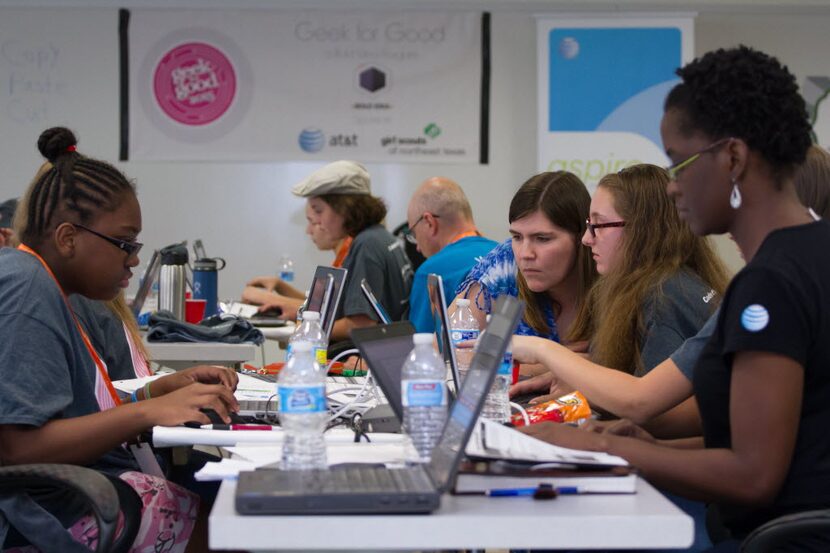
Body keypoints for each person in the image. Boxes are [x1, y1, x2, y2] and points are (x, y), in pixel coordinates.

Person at [518, 47, 829, 552]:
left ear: (732, 158)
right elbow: (791, 443)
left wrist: (599, 447)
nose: (670, 187)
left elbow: (755, 476)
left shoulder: (772, 282)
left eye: (677, 163)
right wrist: (642, 442)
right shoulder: (806, 256)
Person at [0, 127, 240, 552]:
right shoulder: (27, 289)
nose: (133, 258)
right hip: (46, 515)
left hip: (67, 494)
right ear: (68, 238)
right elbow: (17, 448)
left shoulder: (47, 285)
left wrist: (158, 393)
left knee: (235, 501)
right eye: (125, 243)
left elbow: (71, 414)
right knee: (240, 520)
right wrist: (147, 412)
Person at [511, 143, 830, 426]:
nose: (586, 238)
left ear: (643, 229)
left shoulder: (669, 295)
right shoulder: (699, 286)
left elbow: (649, 404)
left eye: (598, 226)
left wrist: (572, 380)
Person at [257, 160, 413, 342]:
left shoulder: (366, 246)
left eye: (319, 211)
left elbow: (359, 324)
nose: (316, 223)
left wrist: (304, 331)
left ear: (345, 209)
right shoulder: (380, 237)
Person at [455, 171, 597, 343]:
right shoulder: (506, 262)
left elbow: (615, 367)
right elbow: (451, 348)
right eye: (517, 237)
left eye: (542, 239)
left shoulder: (608, 268)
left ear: (581, 236)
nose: (524, 254)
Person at [405, 177, 497, 333]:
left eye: (413, 233)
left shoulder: (432, 272)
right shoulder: (505, 255)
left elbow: (421, 345)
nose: (418, 247)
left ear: (429, 222)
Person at [242, 195, 353, 313]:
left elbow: (327, 314)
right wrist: (280, 285)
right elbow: (318, 304)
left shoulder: (353, 255)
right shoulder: (342, 259)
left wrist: (270, 299)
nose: (308, 231)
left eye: (312, 221)